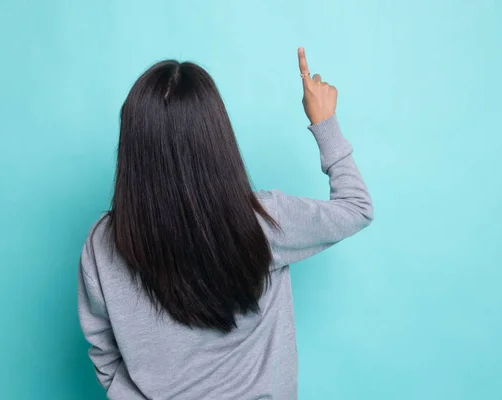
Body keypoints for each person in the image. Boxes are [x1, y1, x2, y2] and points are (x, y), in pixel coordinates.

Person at [78, 48, 373, 399]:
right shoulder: (262, 222)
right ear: (216, 138)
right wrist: (325, 122)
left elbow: (103, 353)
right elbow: (357, 207)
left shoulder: (103, 242)